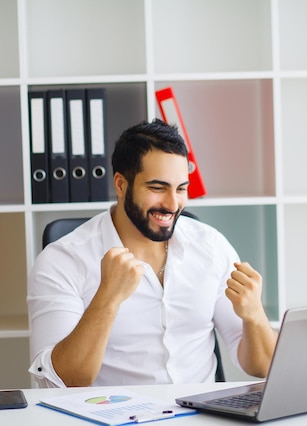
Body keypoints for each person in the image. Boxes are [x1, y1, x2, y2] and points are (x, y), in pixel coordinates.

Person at [27, 119, 278, 388]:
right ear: (121, 185)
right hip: (114, 416)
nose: (172, 204)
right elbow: (59, 383)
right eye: (157, 188)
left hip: (203, 416)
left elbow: (262, 366)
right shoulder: (63, 260)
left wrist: (254, 316)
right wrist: (107, 299)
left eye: (181, 188)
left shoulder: (211, 247)